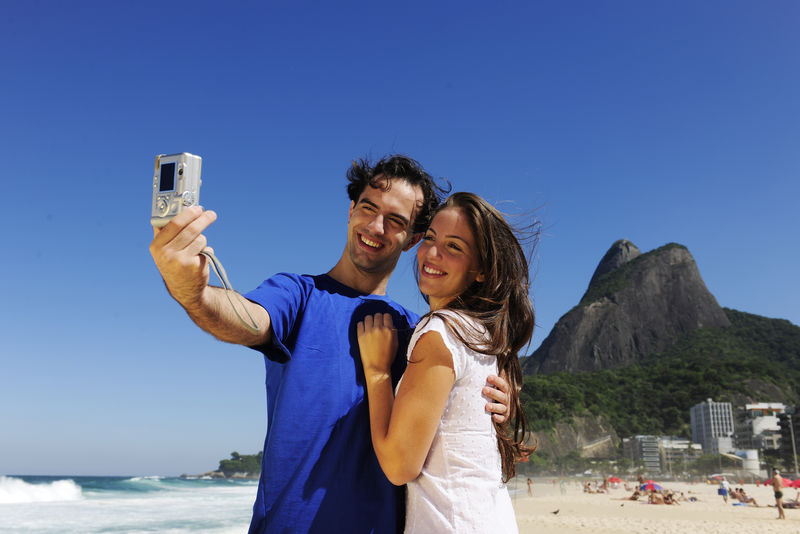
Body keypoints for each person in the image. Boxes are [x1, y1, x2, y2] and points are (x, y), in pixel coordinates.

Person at [149, 156, 511, 533]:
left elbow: (454, 431)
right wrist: (193, 291)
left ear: (413, 240)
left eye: (396, 221)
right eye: (368, 207)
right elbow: (245, 318)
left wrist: (502, 402)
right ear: (351, 209)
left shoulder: (418, 332)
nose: (375, 226)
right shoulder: (298, 294)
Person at [356, 192, 536, 533]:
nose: (431, 253)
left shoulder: (439, 331)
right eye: (430, 238)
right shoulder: (483, 335)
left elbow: (398, 466)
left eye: (454, 246)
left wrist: (377, 372)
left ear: (480, 269)